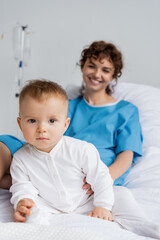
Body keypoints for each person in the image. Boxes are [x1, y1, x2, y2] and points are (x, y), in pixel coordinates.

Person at [10, 79, 114, 222]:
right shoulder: (20, 158)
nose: (42, 129)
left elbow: (101, 178)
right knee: (30, 214)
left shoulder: (81, 149)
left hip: (86, 202)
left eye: (52, 121)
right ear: (20, 124)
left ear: (65, 125)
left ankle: (146, 228)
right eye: (32, 121)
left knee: (123, 197)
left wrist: (103, 205)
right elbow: (22, 186)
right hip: (49, 206)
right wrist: (24, 200)